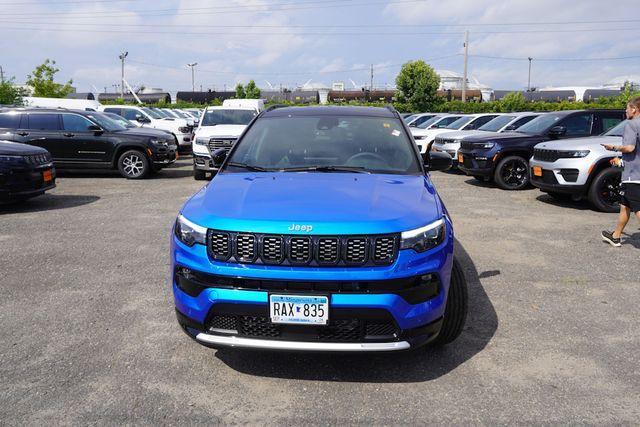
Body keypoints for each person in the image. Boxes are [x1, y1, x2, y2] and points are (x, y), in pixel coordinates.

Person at [601, 96, 640, 247]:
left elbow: (630, 148)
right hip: (633, 170)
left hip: (633, 175)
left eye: (627, 108)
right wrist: (621, 161)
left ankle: (616, 236)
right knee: (625, 205)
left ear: (634, 109)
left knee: (637, 207)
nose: (625, 111)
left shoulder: (631, 124)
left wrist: (614, 148)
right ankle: (616, 236)